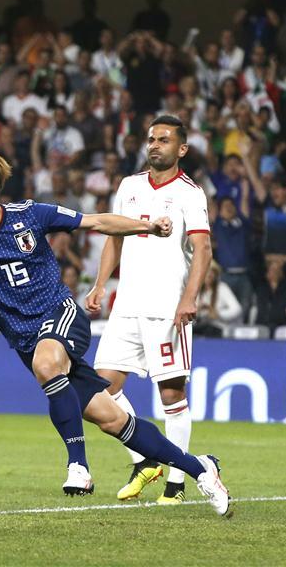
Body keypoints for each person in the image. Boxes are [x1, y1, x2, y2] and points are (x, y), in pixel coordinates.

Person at [0, 151, 231, 516]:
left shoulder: (29, 215)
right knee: (112, 420)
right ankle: (201, 469)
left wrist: (146, 227)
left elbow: (96, 222)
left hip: (61, 314)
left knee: (46, 361)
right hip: (27, 340)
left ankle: (78, 466)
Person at [86, 115, 213, 505]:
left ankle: (176, 484)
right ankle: (145, 460)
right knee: (100, 389)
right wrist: (100, 284)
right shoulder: (129, 186)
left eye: (164, 139)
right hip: (127, 305)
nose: (155, 145)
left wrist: (189, 298)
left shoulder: (190, 193)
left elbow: (203, 249)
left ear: (182, 149)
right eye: (151, 139)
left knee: (171, 395)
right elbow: (114, 237)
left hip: (166, 308)